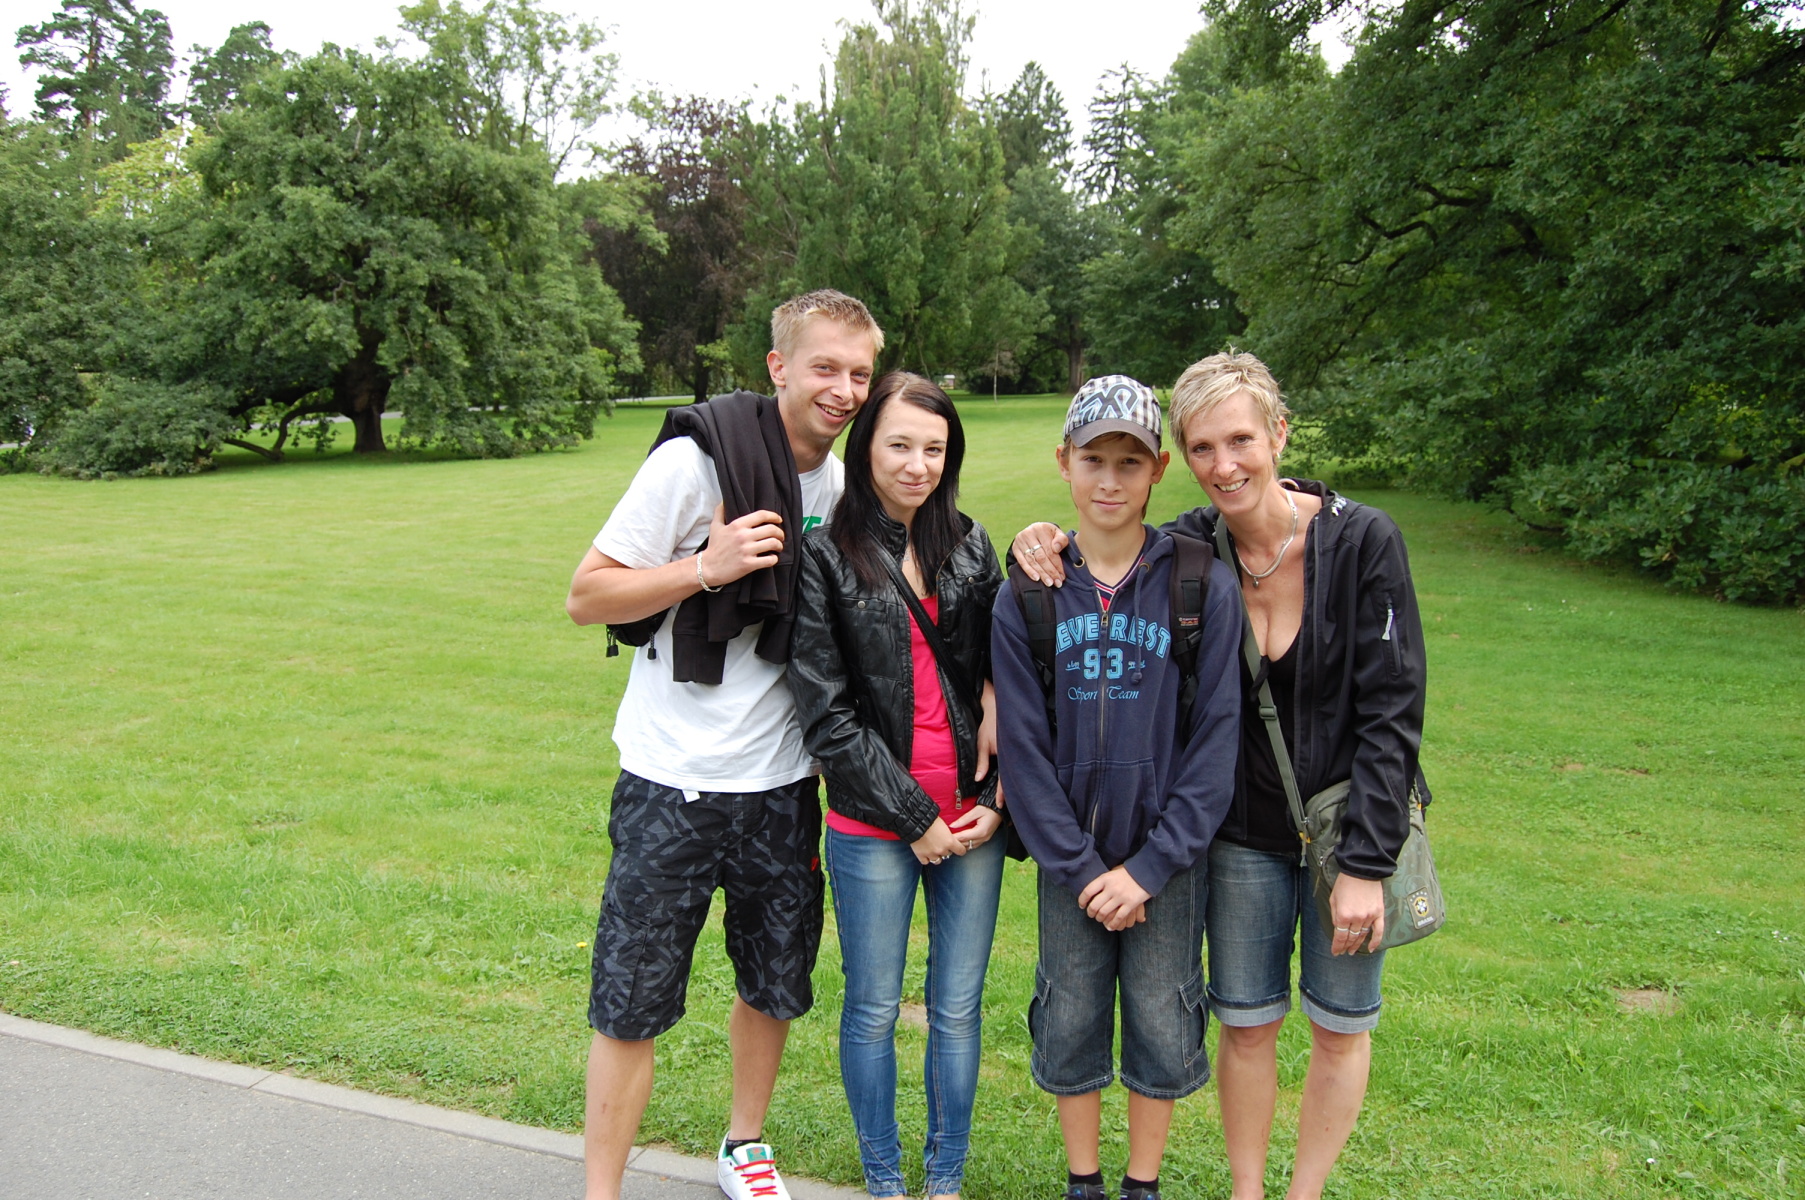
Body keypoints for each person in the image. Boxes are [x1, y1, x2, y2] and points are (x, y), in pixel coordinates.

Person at [1010, 353, 1431, 1200]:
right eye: (1203, 448)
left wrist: (1366, 865)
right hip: (1238, 831)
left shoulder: (1360, 542)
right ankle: (1245, 1193)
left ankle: (1301, 1192)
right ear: (1186, 461)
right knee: (1244, 1024)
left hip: (1350, 826)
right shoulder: (1192, 549)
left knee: (1340, 1025)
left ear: (1278, 434)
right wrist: (1037, 540)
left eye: (1240, 439)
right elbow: (1105, 545)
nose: (1225, 464)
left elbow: (1393, 712)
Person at [565, 289, 882, 1200]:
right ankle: (601, 1190)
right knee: (631, 1002)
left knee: (775, 981)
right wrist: (706, 566)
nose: (845, 389)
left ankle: (744, 1144)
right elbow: (588, 595)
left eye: (859, 373)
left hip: (783, 782)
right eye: (825, 366)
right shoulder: (693, 463)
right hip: (672, 778)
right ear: (778, 365)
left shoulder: (845, 483)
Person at [991, 376, 1241, 1200]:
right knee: (1068, 1017)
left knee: (1164, 1019)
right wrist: (1080, 864)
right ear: (1063, 462)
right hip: (1073, 865)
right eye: (1092, 459)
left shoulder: (1197, 580)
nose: (1108, 480)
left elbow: (1214, 738)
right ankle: (1083, 1181)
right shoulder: (1028, 590)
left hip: (1163, 862)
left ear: (1158, 469)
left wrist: (1149, 866)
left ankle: (1141, 1183)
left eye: (1128, 463)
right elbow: (1023, 748)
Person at [786, 372, 1007, 1200]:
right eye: (899, 446)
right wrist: (916, 817)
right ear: (867, 446)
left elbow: (1006, 678)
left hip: (972, 824)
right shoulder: (823, 555)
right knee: (873, 1009)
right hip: (875, 825)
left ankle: (943, 1179)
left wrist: (992, 801)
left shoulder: (973, 546)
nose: (917, 465)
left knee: (957, 1010)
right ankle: (884, 1179)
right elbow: (826, 716)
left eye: (934, 449)